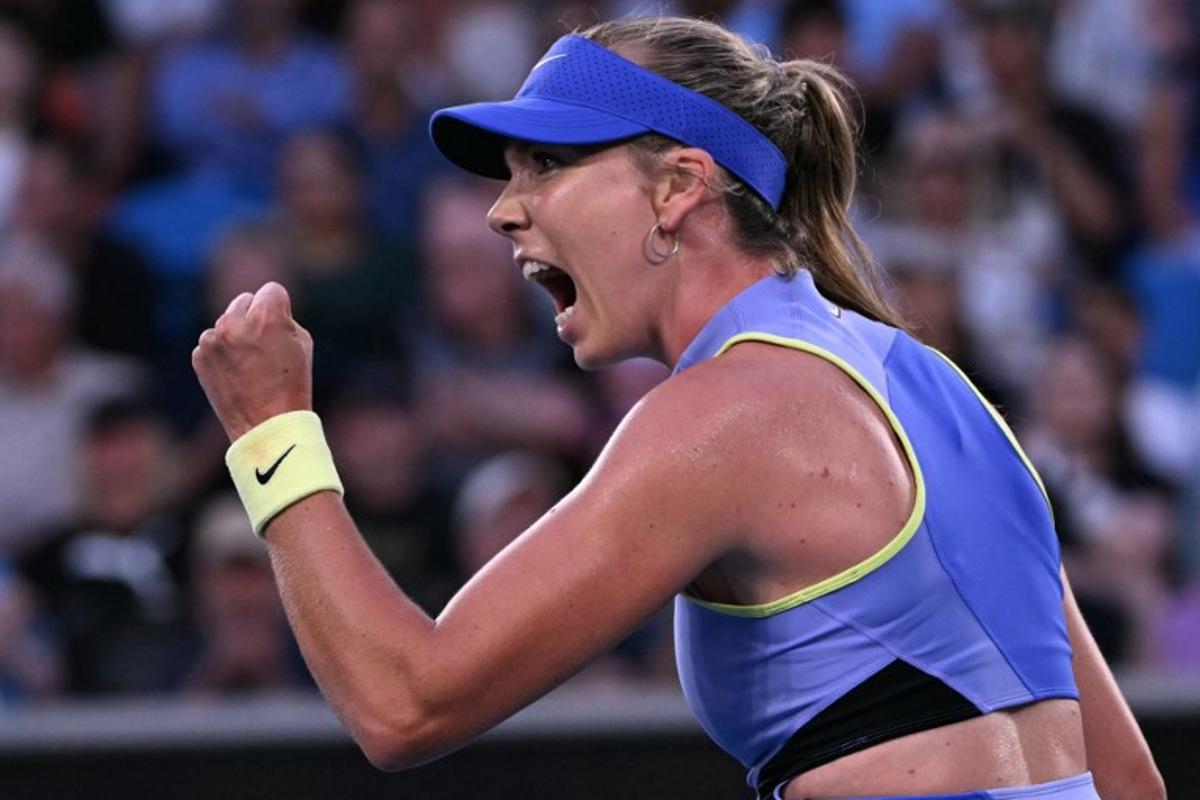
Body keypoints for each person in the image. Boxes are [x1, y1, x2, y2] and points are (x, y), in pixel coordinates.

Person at [191, 16, 1164, 800]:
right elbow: (1124, 777)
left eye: (547, 164)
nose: (502, 207)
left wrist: (271, 431)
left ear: (678, 187)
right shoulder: (942, 386)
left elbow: (403, 702)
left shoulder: (726, 415)